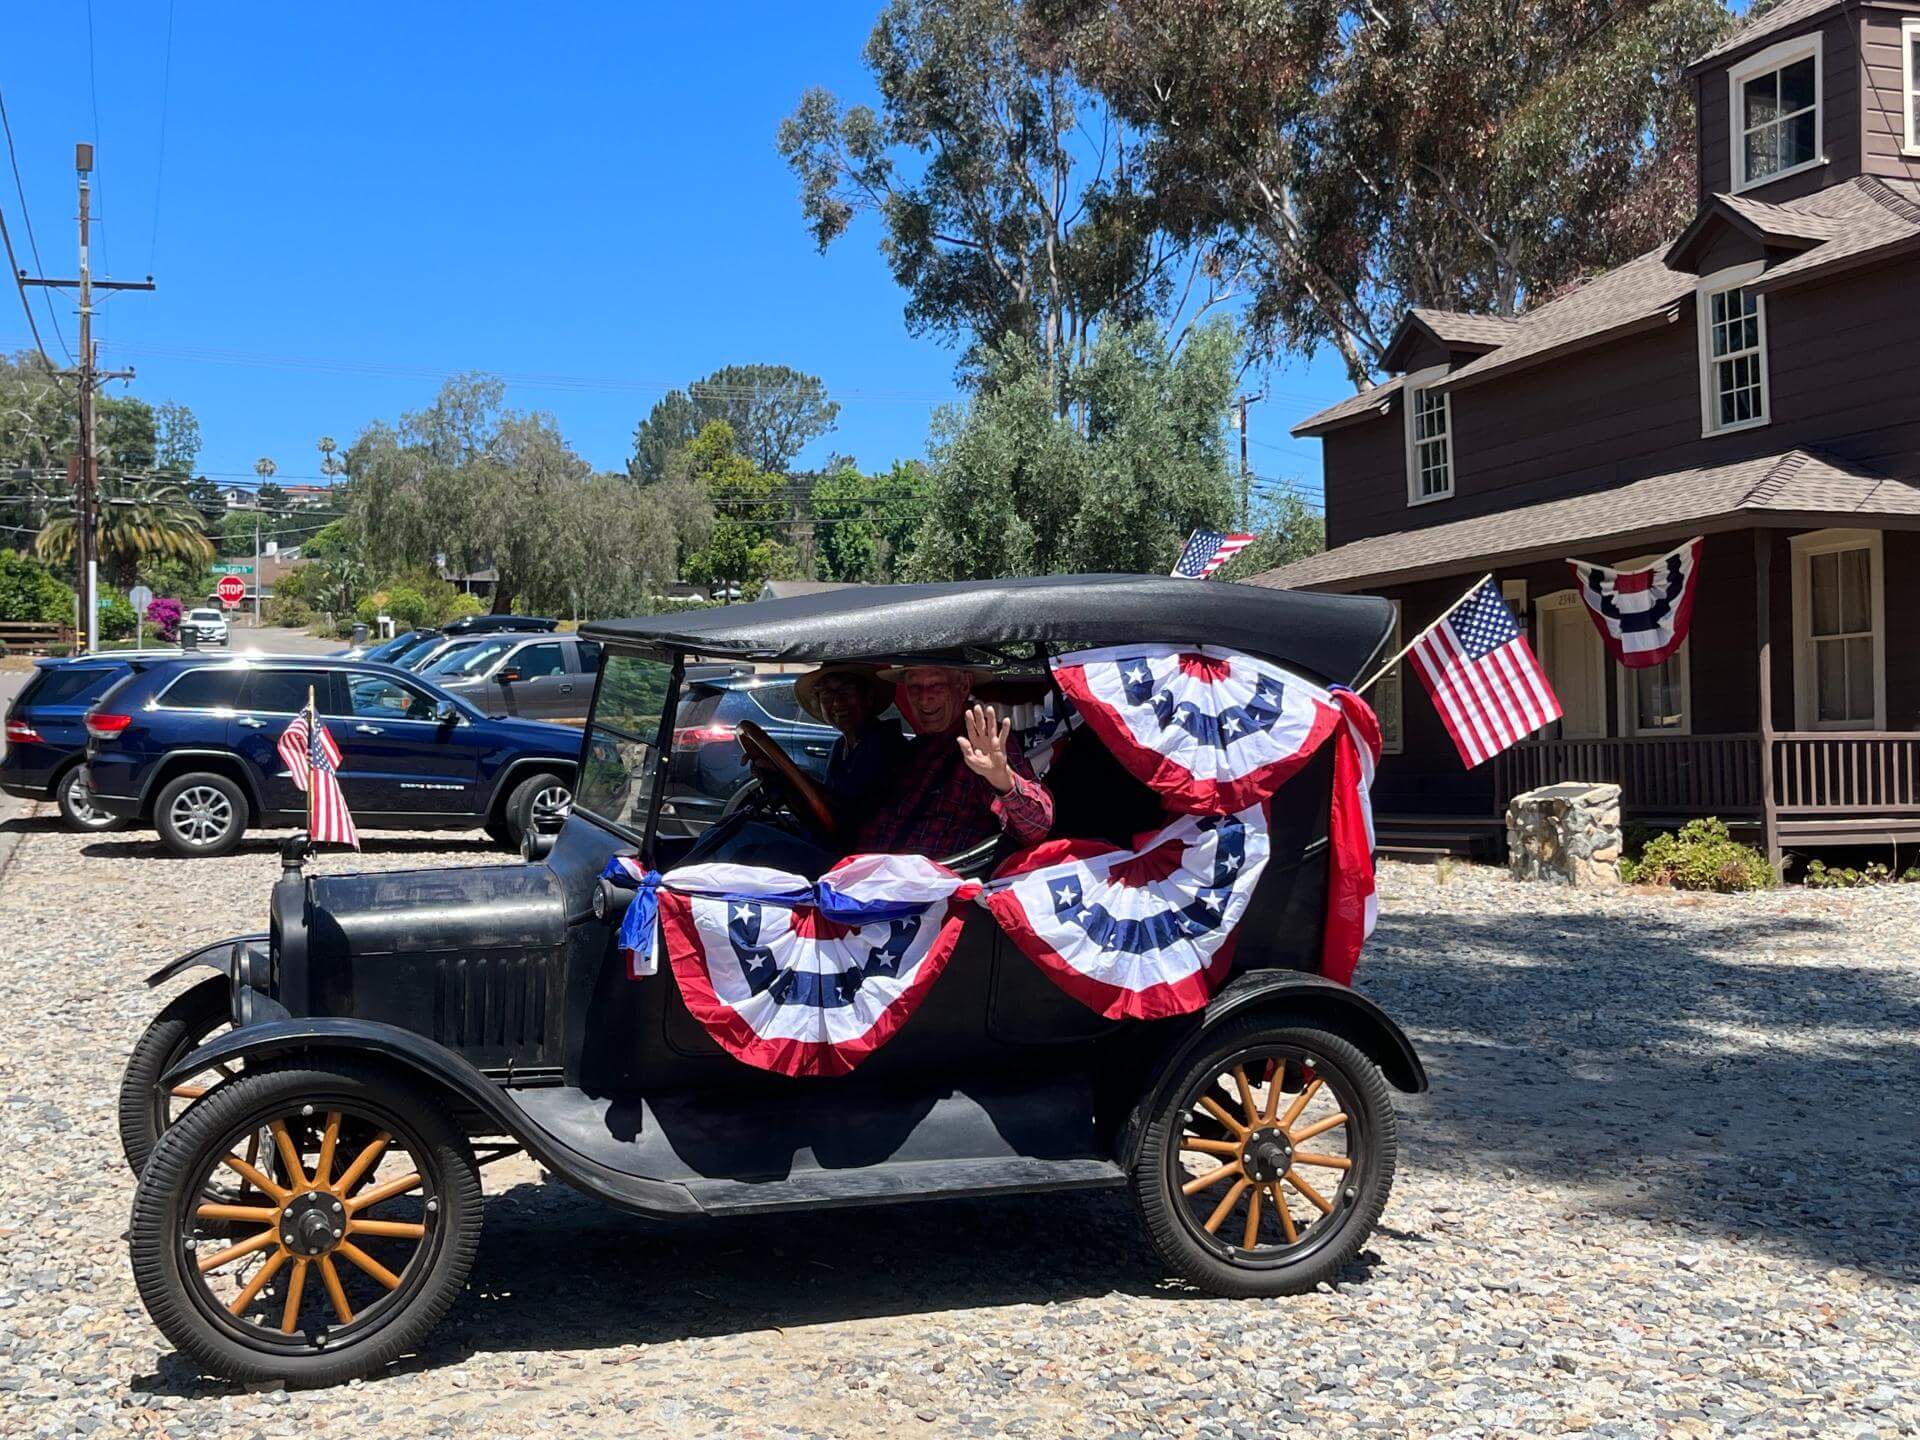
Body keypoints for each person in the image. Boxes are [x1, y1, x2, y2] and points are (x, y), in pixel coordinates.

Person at [854, 663, 1053, 857]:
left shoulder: (984, 742)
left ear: (963, 686)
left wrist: (1003, 779)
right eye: (915, 687)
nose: (924, 698)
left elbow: (1036, 827)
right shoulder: (915, 750)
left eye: (936, 685)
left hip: (935, 876)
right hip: (869, 870)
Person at [791, 662, 910, 833]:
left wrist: (800, 780)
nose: (837, 702)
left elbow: (853, 812)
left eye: (847, 690)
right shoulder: (841, 746)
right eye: (827, 695)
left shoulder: (885, 744)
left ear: (868, 697)